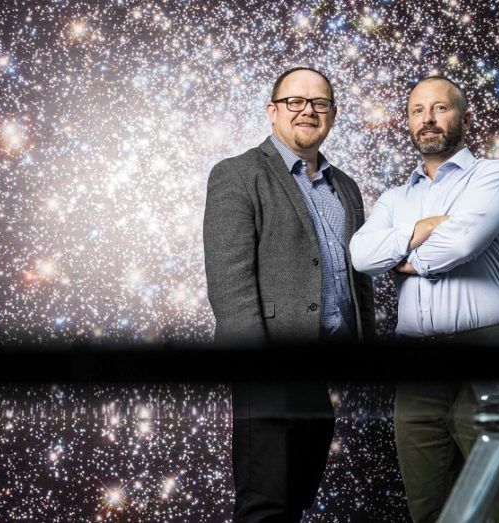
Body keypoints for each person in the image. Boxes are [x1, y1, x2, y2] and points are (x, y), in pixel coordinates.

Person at [349, 76, 499, 522]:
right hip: (416, 362)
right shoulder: (396, 198)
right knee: (428, 503)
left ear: (464, 117)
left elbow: (459, 245)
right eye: (418, 111)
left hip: (486, 351)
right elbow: (360, 255)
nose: (428, 119)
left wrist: (402, 256)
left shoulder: (494, 175)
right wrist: (425, 227)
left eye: (440, 108)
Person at [203, 67, 374, 522]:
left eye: (319, 103)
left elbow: (358, 278)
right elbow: (229, 283)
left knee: (296, 496)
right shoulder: (238, 174)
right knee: (266, 503)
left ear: (332, 114)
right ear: (272, 111)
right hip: (269, 364)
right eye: (295, 102)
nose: (307, 111)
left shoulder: (347, 187)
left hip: (320, 370)